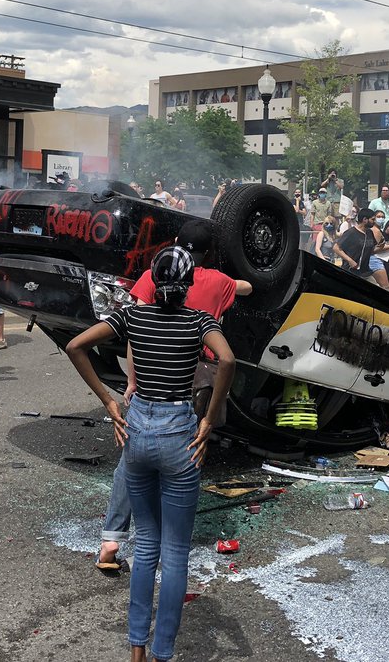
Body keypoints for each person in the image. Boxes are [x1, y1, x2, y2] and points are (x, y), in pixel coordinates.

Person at [65, 246, 236, 662]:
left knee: (145, 549)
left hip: (138, 430)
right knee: (175, 554)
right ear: (189, 285)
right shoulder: (199, 322)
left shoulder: (132, 316)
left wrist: (108, 401)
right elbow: (228, 359)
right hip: (180, 432)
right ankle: (163, 653)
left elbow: (75, 346)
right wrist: (209, 419)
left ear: (155, 282)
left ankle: (136, 652)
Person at [97, 220, 251, 572]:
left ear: (176, 244)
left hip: (152, 380)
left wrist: (132, 381)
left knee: (131, 464)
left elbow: (133, 331)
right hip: (197, 378)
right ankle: (171, 542)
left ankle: (112, 539)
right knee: (185, 459)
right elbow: (247, 287)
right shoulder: (216, 281)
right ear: (208, 253)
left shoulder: (154, 277)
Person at [334, 208, 383, 282]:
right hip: (350, 271)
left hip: (365, 272)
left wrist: (381, 247)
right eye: (372, 219)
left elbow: (371, 251)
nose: (374, 222)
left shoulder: (369, 232)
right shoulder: (351, 233)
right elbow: (336, 248)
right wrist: (350, 260)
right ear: (365, 219)